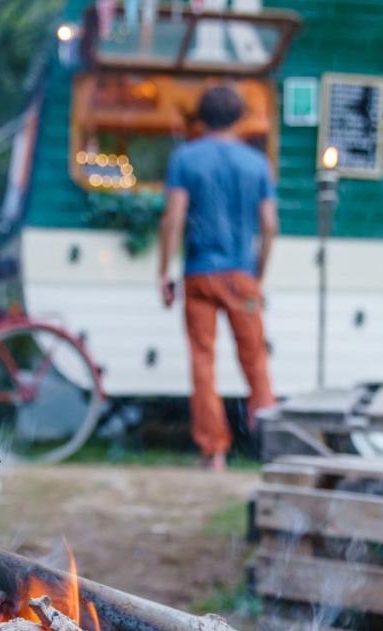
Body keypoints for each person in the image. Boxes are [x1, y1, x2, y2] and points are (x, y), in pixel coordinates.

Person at [158, 84, 278, 471]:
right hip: (241, 273)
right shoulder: (256, 163)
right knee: (255, 359)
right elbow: (270, 224)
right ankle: (271, 446)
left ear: (201, 116)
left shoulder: (185, 158)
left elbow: (174, 217)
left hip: (199, 274)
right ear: (239, 117)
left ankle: (214, 452)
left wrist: (164, 270)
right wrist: (258, 272)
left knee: (203, 361)